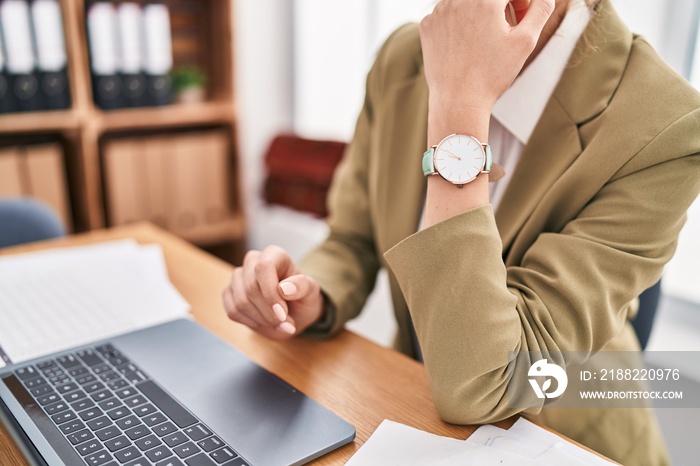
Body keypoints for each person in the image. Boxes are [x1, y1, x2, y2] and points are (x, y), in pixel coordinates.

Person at [223, 0, 700, 464]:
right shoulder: (402, 57)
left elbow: (490, 381)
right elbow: (353, 239)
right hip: (416, 413)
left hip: (563, 437)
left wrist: (460, 101)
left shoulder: (668, 123)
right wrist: (308, 293)